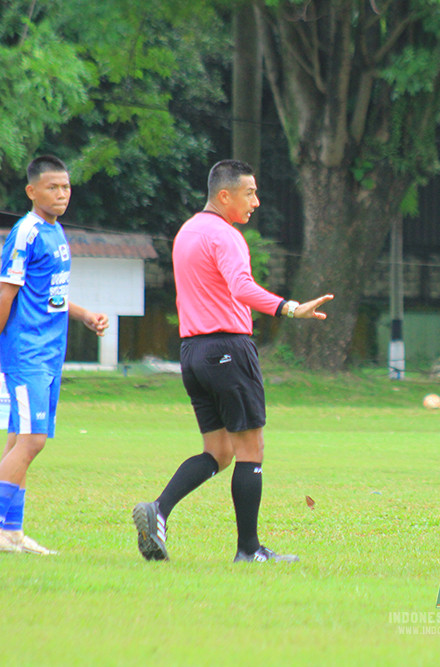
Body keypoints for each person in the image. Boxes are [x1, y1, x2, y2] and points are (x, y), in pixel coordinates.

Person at [133, 159, 333, 564]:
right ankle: (249, 550)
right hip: (227, 347)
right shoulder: (225, 235)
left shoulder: (188, 231)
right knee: (250, 448)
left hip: (192, 353)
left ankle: (159, 510)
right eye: (250, 193)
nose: (256, 202)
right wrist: (289, 309)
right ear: (225, 196)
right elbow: (241, 287)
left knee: (219, 452)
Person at [0, 155, 109, 555]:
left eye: (66, 186)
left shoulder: (56, 231)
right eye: (53, 187)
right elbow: (5, 295)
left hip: (51, 353)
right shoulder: (27, 232)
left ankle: (10, 530)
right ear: (32, 191)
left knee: (19, 438)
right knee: (33, 440)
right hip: (26, 352)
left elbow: (50, 294)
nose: (62, 193)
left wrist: (84, 314)